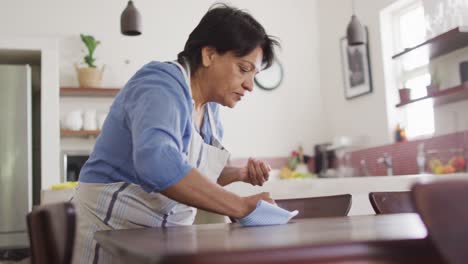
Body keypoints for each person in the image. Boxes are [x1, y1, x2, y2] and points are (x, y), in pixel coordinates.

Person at [72, 3, 280, 263]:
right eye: (244, 68)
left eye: (255, 75)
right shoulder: (160, 84)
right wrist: (241, 206)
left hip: (164, 242)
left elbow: (191, 174)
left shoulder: (211, 112)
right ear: (209, 55)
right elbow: (158, 164)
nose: (250, 85)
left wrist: (238, 174)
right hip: (111, 234)